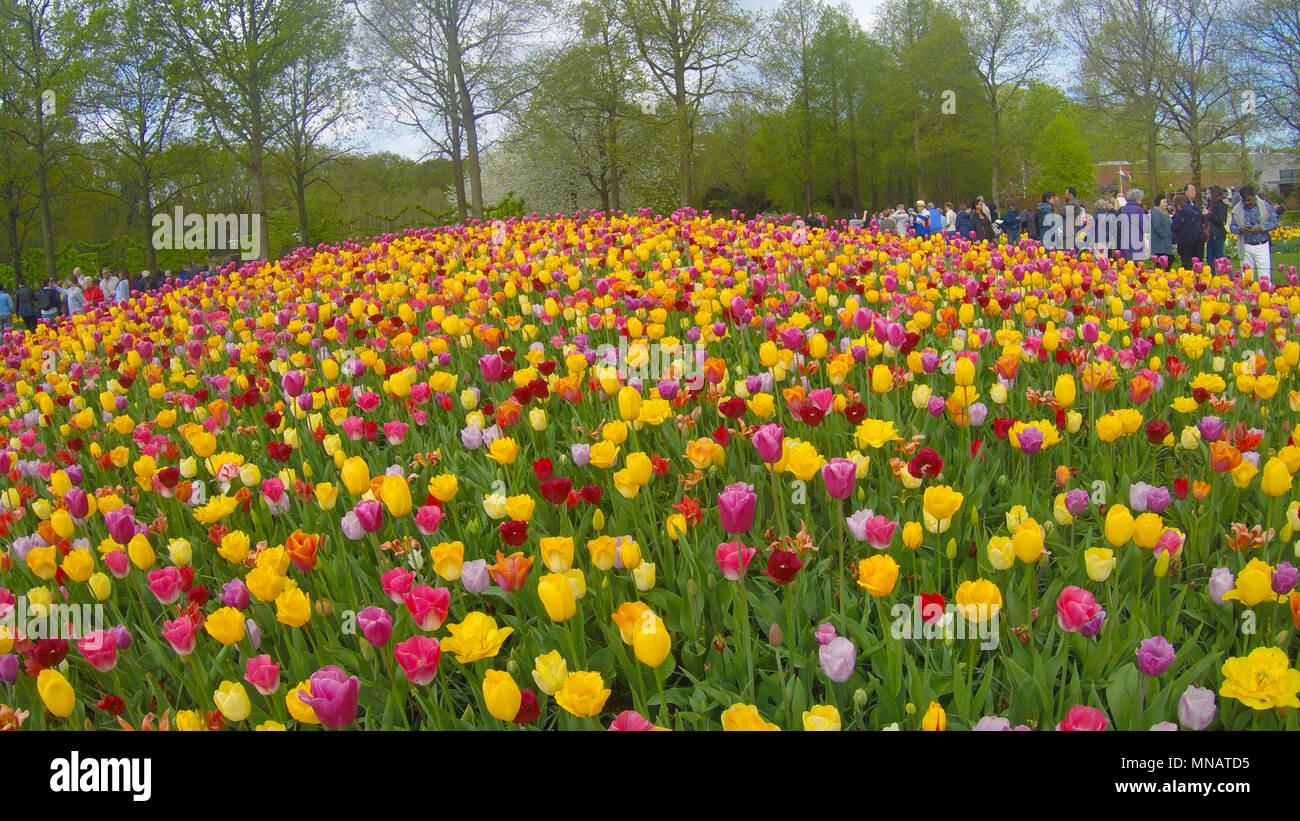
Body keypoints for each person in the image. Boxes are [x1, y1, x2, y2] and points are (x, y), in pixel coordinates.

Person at [1229, 184, 1280, 285]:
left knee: (1264, 276)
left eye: (1249, 200)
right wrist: (1240, 229)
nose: (1247, 202)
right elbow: (1232, 227)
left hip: (1261, 245)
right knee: (1247, 277)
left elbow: (1274, 222)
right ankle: (1249, 298)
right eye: (1245, 200)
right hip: (1246, 246)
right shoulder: (1237, 209)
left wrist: (1262, 228)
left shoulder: (1265, 206)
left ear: (1254, 196)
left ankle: (1266, 297)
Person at [1171, 193, 1205, 269]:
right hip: (1199, 239)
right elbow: (1203, 220)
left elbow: (1175, 227)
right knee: (1198, 265)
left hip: (1186, 242)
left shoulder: (1180, 212)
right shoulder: (1195, 209)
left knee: (1187, 265)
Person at [1118, 188, 1147, 261]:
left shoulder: (1123, 209)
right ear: (1137, 199)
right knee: (1137, 263)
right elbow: (1143, 225)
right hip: (1136, 238)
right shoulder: (1139, 210)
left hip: (1125, 238)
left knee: (1127, 262)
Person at [1205, 185, 1228, 265]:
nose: (1207, 195)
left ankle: (1225, 274)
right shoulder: (1210, 204)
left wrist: (1209, 214)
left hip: (1217, 235)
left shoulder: (1221, 205)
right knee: (1209, 258)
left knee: (1219, 257)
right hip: (1210, 235)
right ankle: (1211, 275)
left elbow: (1220, 221)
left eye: (1209, 193)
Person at [1150, 193, 1173, 267]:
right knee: (1162, 263)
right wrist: (1165, 235)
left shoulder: (1164, 213)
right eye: (1164, 202)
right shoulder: (1156, 212)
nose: (1166, 204)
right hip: (1159, 244)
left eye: (1166, 202)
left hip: (1165, 243)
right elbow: (1157, 226)